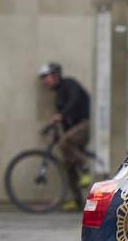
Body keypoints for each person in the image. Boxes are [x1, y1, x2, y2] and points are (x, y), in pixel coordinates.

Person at [38, 63, 91, 210]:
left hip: (85, 124)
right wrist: (53, 129)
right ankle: (77, 201)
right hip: (74, 129)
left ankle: (85, 168)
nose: (45, 81)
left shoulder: (69, 84)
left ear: (55, 75)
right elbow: (65, 121)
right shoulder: (58, 96)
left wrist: (61, 115)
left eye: (46, 76)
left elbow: (74, 100)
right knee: (68, 164)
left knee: (64, 142)